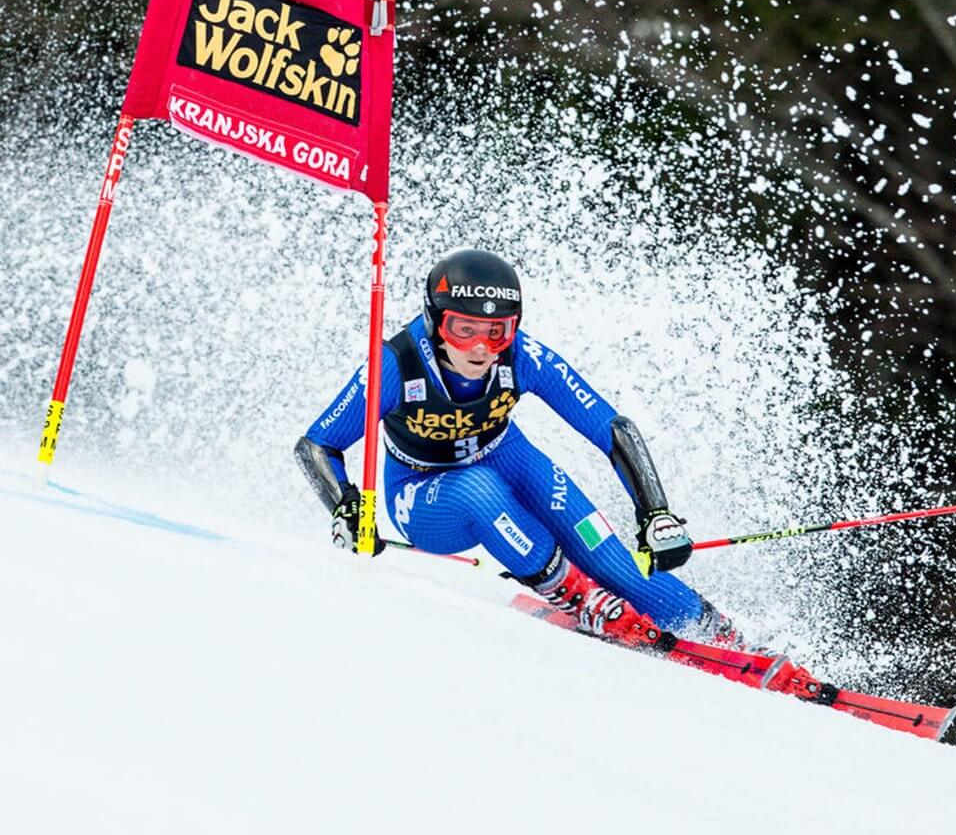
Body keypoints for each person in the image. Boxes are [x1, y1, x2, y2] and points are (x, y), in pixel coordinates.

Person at [294, 247, 757, 657]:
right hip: (424, 495)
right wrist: (348, 508)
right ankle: (575, 597)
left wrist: (655, 513)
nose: (480, 348)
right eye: (463, 329)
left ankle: (722, 636)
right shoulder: (396, 364)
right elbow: (316, 446)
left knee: (613, 561)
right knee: (480, 488)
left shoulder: (524, 357)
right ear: (436, 322)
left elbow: (612, 428)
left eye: (497, 332)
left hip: (507, 457)